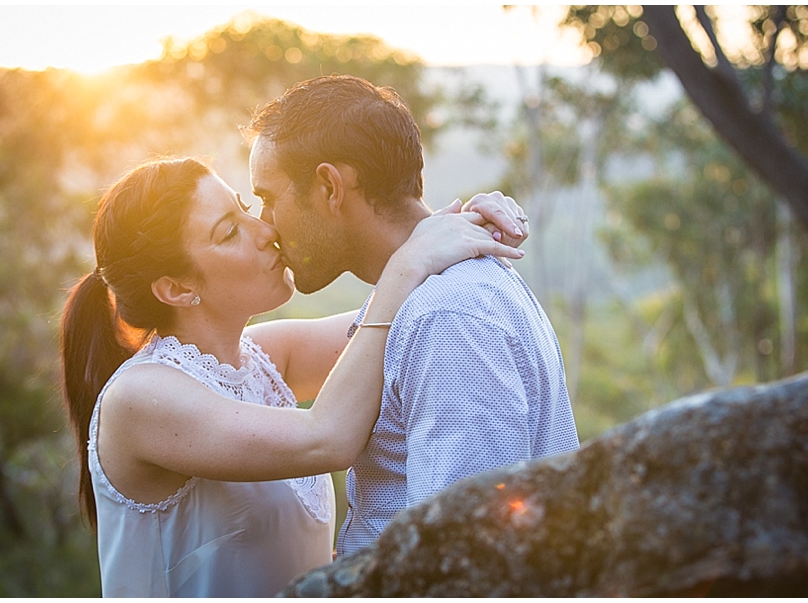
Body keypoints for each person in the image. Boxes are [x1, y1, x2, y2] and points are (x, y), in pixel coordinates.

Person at [59, 156, 526, 597]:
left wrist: (461, 226)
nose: (264, 231)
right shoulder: (140, 397)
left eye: (245, 208)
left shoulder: (265, 356)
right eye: (229, 232)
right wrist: (408, 262)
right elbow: (328, 438)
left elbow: (400, 322)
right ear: (177, 289)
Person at [243, 74, 581, 556]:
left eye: (269, 199)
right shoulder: (418, 295)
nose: (264, 224)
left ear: (329, 186)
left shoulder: (445, 314)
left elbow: (465, 554)